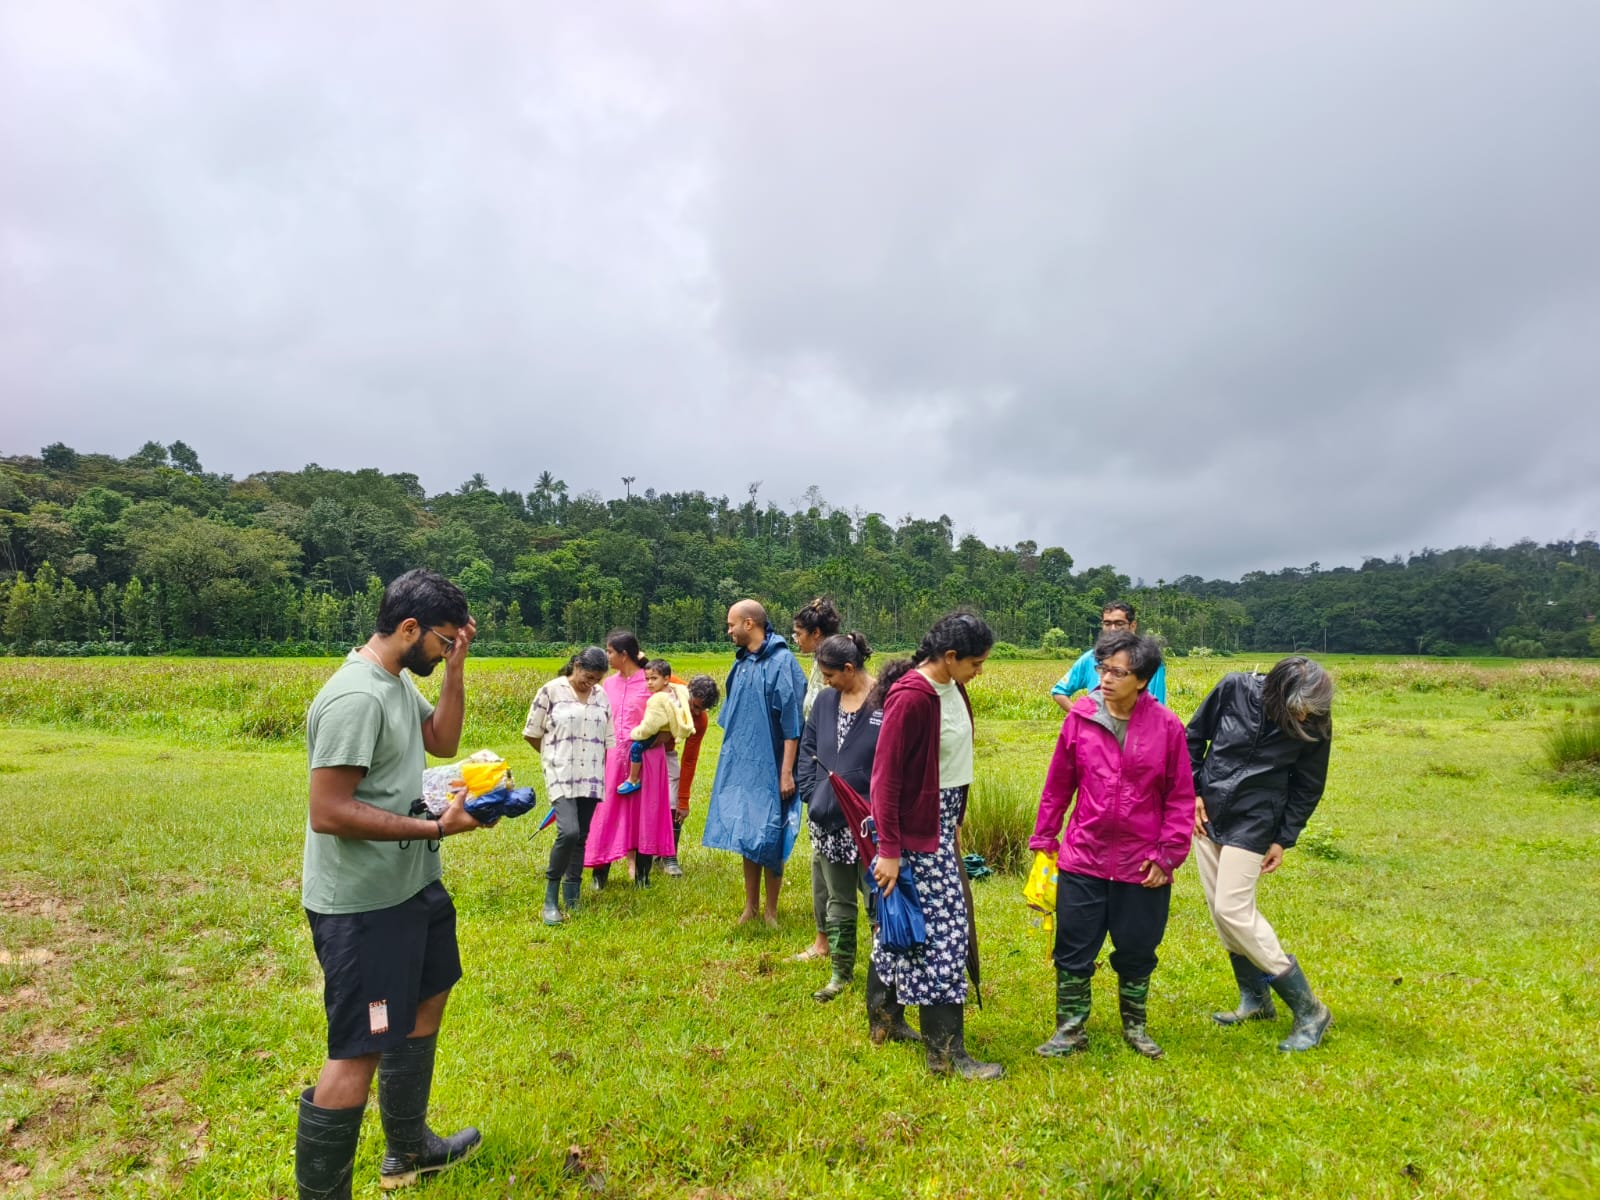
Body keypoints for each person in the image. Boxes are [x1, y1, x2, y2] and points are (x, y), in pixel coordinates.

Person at [295, 569, 486, 1198]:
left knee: (427, 1000)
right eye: (440, 641)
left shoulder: (397, 682)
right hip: (364, 906)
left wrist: (456, 664)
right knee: (359, 1047)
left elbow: (443, 739)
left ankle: (409, 1150)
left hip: (412, 889)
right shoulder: (358, 697)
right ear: (408, 628)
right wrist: (434, 831)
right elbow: (330, 811)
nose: (441, 649)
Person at [1029, 631, 1194, 1061]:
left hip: (1143, 863)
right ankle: (1069, 1029)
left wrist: (1169, 854)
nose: (1104, 678)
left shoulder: (1168, 727)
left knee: (1138, 947)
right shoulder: (1080, 717)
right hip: (1084, 854)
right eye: (1102, 668)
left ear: (1142, 679)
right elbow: (1058, 784)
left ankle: (1135, 1027)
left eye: (1117, 671)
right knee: (1074, 945)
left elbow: (1179, 797)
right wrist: (1045, 836)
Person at [869, 612, 1002, 1081]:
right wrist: (889, 849)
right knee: (945, 933)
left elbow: (950, 765)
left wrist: (954, 823)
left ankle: (884, 1019)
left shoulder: (952, 688)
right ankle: (946, 1055)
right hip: (912, 835)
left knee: (905, 921)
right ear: (949, 657)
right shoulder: (913, 696)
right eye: (975, 663)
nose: (978, 672)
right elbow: (884, 780)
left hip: (939, 824)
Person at [1187, 656, 1335, 1052]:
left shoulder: (1315, 718)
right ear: (1276, 691)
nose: (1304, 715)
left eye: (1311, 711)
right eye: (1297, 707)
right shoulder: (1233, 688)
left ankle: (1310, 1010)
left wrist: (1283, 838)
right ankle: (1255, 1001)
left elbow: (1308, 784)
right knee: (1222, 915)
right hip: (1209, 811)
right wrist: (1193, 792)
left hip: (1257, 820)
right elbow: (1192, 738)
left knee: (1233, 909)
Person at [703, 599, 807, 926]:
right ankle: (750, 907)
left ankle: (772, 911)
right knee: (748, 833)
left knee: (772, 834)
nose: (728, 630)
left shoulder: (782, 663)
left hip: (774, 766)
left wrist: (786, 772)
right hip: (744, 764)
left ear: (750, 623)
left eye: (732, 624)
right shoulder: (741, 664)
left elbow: (793, 725)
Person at [793, 632, 881, 1003]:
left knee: (878, 902)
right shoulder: (826, 702)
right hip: (828, 820)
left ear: (849, 668)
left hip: (869, 824)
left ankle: (884, 974)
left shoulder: (884, 701)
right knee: (838, 900)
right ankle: (840, 974)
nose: (825, 682)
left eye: (829, 675)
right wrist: (812, 794)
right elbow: (808, 749)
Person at [523, 647, 613, 926]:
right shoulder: (551, 691)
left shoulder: (601, 697)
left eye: (597, 679)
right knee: (569, 831)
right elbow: (532, 733)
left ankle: (572, 895)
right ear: (575, 665)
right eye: (588, 676)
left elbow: (608, 738)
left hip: (591, 774)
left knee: (582, 835)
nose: (592, 683)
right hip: (561, 773)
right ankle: (551, 898)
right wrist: (553, 755)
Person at [585, 631, 676, 889]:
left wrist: (665, 734)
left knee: (645, 814)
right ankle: (599, 874)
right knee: (606, 812)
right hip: (612, 759)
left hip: (647, 760)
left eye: (610, 651)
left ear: (624, 655)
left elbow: (674, 714)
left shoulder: (651, 681)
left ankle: (642, 877)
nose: (607, 656)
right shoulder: (606, 685)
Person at [790, 597, 844, 962]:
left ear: (817, 633)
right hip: (819, 771)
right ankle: (823, 938)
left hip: (841, 772)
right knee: (820, 858)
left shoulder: (838, 667)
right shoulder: (815, 666)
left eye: (799, 633)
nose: (796, 639)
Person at [1050, 602, 1167, 712]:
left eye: (1119, 623)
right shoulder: (1091, 658)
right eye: (1107, 623)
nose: (1113, 629)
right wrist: (1083, 717)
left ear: (1133, 626)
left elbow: (1157, 707)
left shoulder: (1148, 660)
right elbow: (1059, 692)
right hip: (1098, 732)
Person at [660, 675, 720, 877]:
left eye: (700, 709)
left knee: (674, 800)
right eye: (694, 706)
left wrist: (683, 800)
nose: (695, 712)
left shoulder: (700, 721)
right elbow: (651, 671)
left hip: (667, 752)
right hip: (644, 748)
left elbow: (689, 760)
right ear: (688, 692)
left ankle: (669, 857)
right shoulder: (671, 686)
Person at [617, 660, 694, 795]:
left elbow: (650, 726)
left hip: (658, 732)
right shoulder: (677, 690)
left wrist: (635, 734)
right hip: (669, 730)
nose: (650, 683)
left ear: (666, 679)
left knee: (636, 748)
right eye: (647, 679)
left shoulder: (657, 699)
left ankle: (633, 779)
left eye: (654, 678)